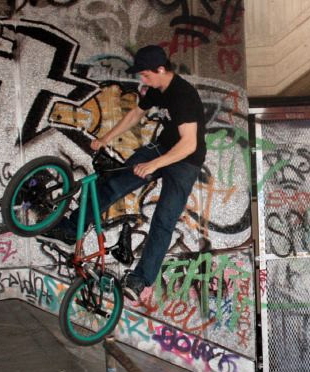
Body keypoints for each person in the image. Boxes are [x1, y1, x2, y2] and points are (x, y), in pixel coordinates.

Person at [48, 44, 206, 303]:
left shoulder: (183, 95)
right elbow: (135, 114)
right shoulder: (157, 89)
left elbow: (189, 144)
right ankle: (71, 228)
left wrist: (154, 165)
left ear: (161, 69)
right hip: (163, 147)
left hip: (186, 162)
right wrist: (105, 139)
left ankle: (140, 279)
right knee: (115, 183)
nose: (143, 80)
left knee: (163, 220)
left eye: (145, 74)